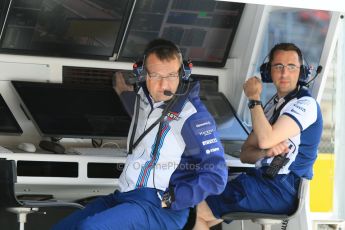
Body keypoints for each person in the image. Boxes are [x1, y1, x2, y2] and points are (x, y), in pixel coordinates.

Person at [52, 38, 227, 230]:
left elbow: (216, 175)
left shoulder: (192, 116)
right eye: (156, 76)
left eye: (171, 75)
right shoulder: (143, 101)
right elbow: (137, 105)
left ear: (183, 74)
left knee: (91, 228)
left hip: (158, 207)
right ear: (143, 74)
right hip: (124, 196)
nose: (164, 85)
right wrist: (120, 89)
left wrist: (172, 198)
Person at [194, 43, 323, 228]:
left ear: (301, 72)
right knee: (193, 213)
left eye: (291, 67)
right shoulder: (273, 107)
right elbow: (246, 154)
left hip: (280, 188)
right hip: (262, 181)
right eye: (278, 66)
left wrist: (254, 99)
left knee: (191, 212)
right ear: (268, 72)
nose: (284, 73)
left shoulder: (306, 105)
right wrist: (265, 153)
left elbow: (265, 139)